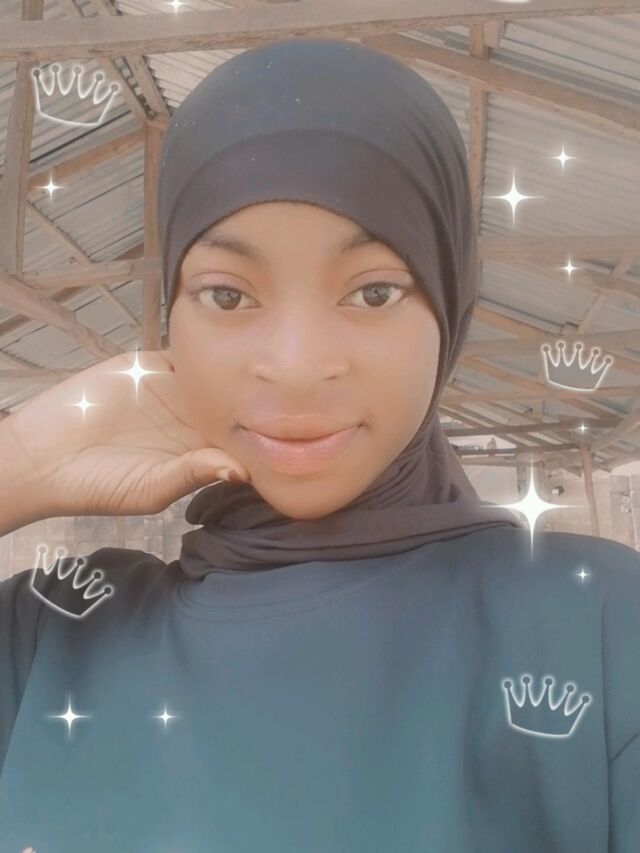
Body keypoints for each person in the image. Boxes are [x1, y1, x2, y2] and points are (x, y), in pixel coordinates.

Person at [0, 37, 638, 853]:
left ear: (449, 306)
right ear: (170, 316)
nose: (298, 366)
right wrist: (19, 464)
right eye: (227, 295)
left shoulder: (596, 625)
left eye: (373, 292)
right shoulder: (53, 632)